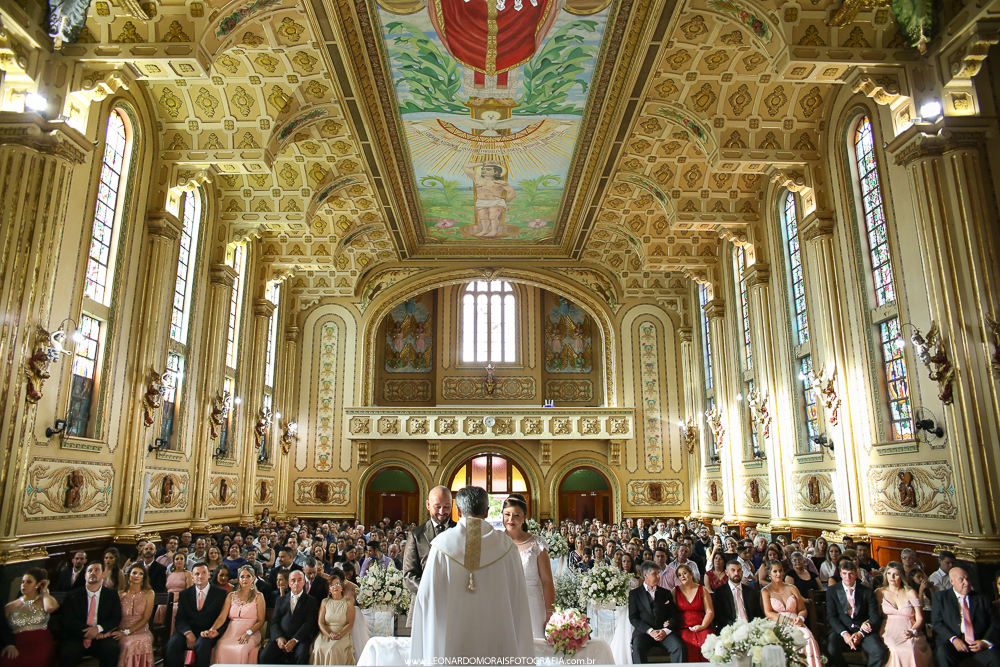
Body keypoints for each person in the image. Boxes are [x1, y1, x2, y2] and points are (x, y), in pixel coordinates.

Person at [409, 485, 534, 664]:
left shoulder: (441, 545)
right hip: (496, 640)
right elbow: (518, 599)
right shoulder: (506, 547)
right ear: (487, 512)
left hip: (451, 641)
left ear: (457, 510)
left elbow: (427, 598)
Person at [502, 494, 555, 639]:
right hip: (503, 604)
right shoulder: (496, 542)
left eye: (516, 515)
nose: (511, 519)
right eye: (507, 514)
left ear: (524, 516)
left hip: (533, 606)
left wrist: (550, 613)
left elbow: (547, 582)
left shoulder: (537, 544)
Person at [402, 486, 456, 628]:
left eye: (446, 507)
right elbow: (409, 574)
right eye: (437, 507)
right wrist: (430, 593)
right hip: (424, 601)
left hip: (455, 603)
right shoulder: (416, 535)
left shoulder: (460, 532)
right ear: (427, 505)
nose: (442, 512)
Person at [58, 560, 123, 667]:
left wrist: (98, 629)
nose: (93, 573)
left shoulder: (111, 594)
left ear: (103, 574)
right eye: (90, 571)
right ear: (85, 576)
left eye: (97, 570)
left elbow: (115, 617)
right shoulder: (73, 595)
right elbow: (68, 619)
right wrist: (86, 632)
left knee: (111, 650)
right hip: (77, 636)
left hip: (100, 636)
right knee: (67, 653)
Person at [932, 567, 1000, 667]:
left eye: (968, 579)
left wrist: (985, 642)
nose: (966, 583)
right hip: (952, 645)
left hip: (978, 645)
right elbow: (937, 622)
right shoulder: (941, 598)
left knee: (995, 657)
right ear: (952, 581)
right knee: (943, 653)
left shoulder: (983, 599)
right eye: (961, 580)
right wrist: (954, 639)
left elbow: (995, 624)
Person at [164, 563, 228, 667]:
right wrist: (188, 633)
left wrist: (215, 631)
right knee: (172, 646)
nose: (200, 576)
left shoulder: (220, 593)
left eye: (203, 573)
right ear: (192, 577)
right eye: (197, 574)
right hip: (187, 630)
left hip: (208, 632)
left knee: (202, 647)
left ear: (209, 575)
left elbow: (224, 617)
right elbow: (180, 618)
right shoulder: (184, 594)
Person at [761, 560, 822, 667]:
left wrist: (800, 619)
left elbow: (803, 610)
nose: (778, 574)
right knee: (785, 639)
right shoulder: (766, 591)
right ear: (769, 573)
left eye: (780, 571)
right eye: (775, 571)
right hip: (777, 623)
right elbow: (768, 613)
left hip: (796, 622)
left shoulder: (792, 588)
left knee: (807, 635)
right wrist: (786, 621)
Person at [826, 560, 885, 667]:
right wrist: (844, 633)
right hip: (842, 629)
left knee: (879, 651)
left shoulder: (867, 591)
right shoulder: (832, 591)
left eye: (851, 574)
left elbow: (875, 616)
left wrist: (861, 634)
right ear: (840, 574)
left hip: (863, 630)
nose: (847, 577)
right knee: (831, 649)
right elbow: (831, 616)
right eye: (844, 574)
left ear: (856, 575)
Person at [205, 565, 264, 664]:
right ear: (238, 579)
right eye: (242, 577)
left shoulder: (259, 596)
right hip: (231, 633)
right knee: (220, 647)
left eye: (248, 576)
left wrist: (248, 633)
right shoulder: (231, 596)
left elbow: (261, 621)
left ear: (253, 578)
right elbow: (222, 617)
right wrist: (212, 629)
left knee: (241, 650)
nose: (245, 579)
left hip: (250, 633)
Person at [628, 561, 685, 663]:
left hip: (664, 632)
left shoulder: (666, 593)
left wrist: (665, 630)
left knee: (678, 646)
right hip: (644, 633)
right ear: (645, 575)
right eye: (655, 574)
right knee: (637, 647)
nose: (659, 576)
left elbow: (674, 615)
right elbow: (633, 618)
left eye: (659, 573)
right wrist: (650, 631)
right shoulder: (634, 594)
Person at [1, 568, 58, 667]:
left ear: (38, 584)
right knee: (6, 661)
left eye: (29, 582)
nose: (24, 584)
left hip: (40, 642)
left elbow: (50, 608)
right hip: (18, 644)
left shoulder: (45, 600)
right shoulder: (10, 606)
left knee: (37, 660)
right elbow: (2, 627)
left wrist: (44, 591)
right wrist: (9, 645)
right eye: (23, 582)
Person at [878, 562, 932, 667]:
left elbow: (920, 618)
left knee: (911, 648)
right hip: (889, 629)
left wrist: (913, 631)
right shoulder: (880, 592)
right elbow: (876, 616)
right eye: (889, 574)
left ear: (901, 576)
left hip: (910, 628)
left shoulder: (910, 592)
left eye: (896, 574)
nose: (892, 577)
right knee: (894, 649)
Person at [260, 570, 319, 665]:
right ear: (289, 583)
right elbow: (275, 622)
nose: (296, 583)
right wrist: (279, 637)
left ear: (304, 582)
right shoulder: (280, 600)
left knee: (302, 656)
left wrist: (295, 640)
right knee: (264, 656)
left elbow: (309, 624)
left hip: (300, 638)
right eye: (293, 580)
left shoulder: (311, 601)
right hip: (282, 637)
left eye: (299, 580)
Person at [311, 570, 355, 665]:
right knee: (319, 647)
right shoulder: (325, 602)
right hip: (325, 633)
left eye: (337, 584)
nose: (335, 587)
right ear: (329, 589)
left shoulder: (348, 602)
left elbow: (350, 623)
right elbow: (321, 622)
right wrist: (328, 634)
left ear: (341, 587)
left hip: (342, 633)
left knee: (332, 649)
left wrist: (339, 634)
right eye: (332, 585)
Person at [114, 563, 154, 667]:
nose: (137, 576)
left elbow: (146, 618)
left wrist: (128, 632)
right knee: (129, 644)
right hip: (122, 630)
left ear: (143, 577)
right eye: (134, 573)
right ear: (129, 575)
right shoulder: (120, 594)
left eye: (140, 574)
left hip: (142, 630)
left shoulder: (149, 593)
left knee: (144, 642)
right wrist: (122, 632)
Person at [674, 563, 713, 662]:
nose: (682, 576)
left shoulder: (702, 589)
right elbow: (671, 612)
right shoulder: (675, 591)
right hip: (684, 628)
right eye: (679, 575)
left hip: (702, 625)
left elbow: (710, 611)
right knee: (687, 643)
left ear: (691, 574)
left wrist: (703, 626)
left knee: (706, 640)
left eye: (684, 573)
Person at [712, 559, 763, 631]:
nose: (736, 573)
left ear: (742, 573)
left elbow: (758, 613)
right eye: (733, 570)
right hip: (731, 628)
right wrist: (734, 626)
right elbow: (718, 616)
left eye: (739, 570)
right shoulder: (720, 592)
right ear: (727, 572)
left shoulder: (751, 591)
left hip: (751, 628)